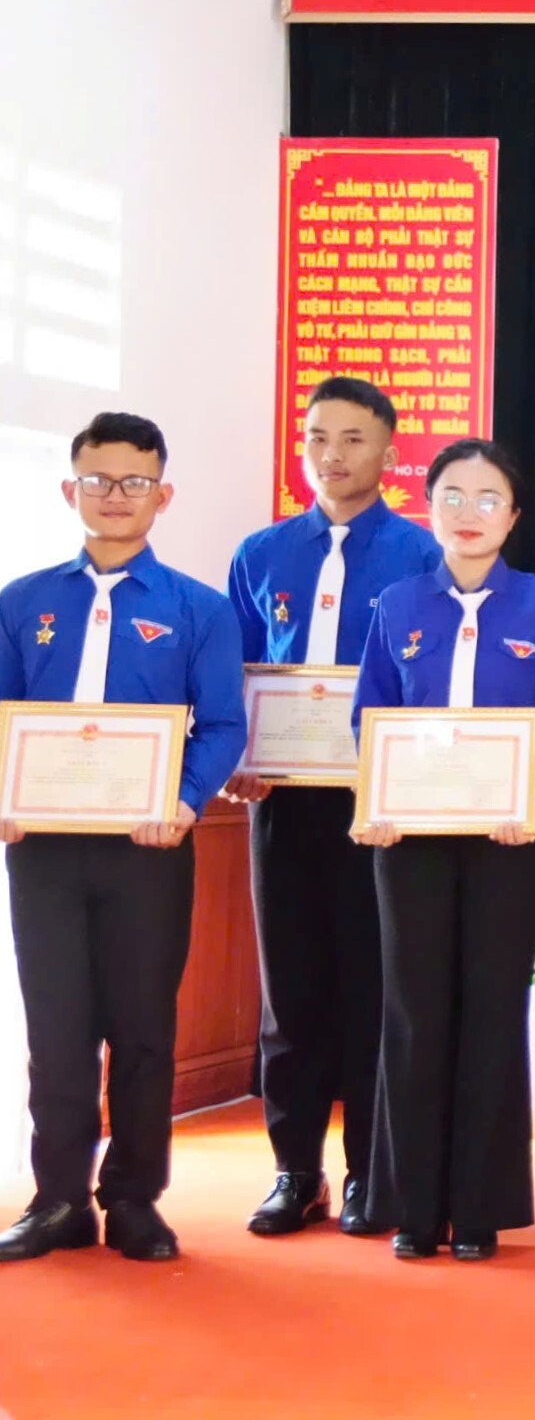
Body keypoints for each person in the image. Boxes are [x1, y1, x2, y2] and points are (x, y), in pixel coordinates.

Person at [0, 413, 243, 1263]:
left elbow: (222, 724)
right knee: (55, 1029)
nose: (115, 495)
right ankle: (59, 1198)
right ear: (70, 489)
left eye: (134, 481)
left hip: (150, 845)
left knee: (142, 1028)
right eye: (98, 480)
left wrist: (183, 799)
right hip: (42, 847)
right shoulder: (21, 601)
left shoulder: (199, 609)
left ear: (161, 496)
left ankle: (134, 1198)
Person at [350, 439, 535, 1261]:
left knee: (491, 1010)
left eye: (488, 499)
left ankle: (479, 1206)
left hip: (507, 841)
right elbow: (370, 714)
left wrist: (531, 794)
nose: (469, 512)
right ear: (429, 507)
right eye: (452, 495)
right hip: (410, 839)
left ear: (513, 516)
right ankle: (414, 1205)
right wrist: (379, 799)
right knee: (414, 1010)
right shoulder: (396, 603)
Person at [225, 377, 442, 1240]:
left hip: (378, 803)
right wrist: (239, 758)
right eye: (317, 436)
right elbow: (238, 676)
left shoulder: (421, 555)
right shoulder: (261, 553)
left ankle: (365, 1172)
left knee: (370, 985)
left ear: (389, 450)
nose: (332, 454)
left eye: (353, 438)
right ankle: (295, 1170)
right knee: (290, 990)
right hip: (283, 801)